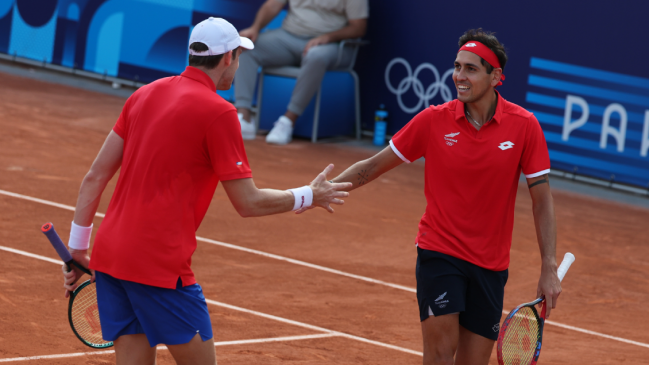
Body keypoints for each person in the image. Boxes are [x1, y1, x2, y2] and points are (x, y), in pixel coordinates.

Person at [61, 17, 351, 365]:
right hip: (160, 266)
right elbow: (248, 202)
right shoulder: (219, 113)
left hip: (111, 258)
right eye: (238, 58)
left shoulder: (144, 94)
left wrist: (77, 248)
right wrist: (309, 195)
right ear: (228, 58)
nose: (237, 66)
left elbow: (95, 176)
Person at [316, 29, 562, 365]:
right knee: (439, 355)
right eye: (457, 67)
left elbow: (542, 200)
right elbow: (374, 165)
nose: (459, 76)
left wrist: (549, 266)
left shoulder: (524, 127)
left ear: (496, 77)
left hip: (490, 264)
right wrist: (323, 190)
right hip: (440, 252)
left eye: (471, 69)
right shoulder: (434, 120)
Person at [234, 0, 368, 145]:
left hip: (332, 44)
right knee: (247, 48)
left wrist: (327, 37)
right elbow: (272, 5)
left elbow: (358, 27)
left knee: (315, 56)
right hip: (289, 36)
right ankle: (244, 116)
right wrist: (255, 28)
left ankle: (288, 121)